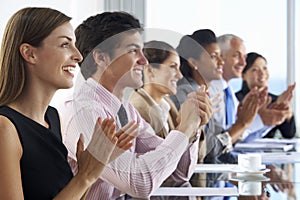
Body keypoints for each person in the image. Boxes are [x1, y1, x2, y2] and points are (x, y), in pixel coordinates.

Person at [59, 11, 212, 199]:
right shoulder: (85, 112)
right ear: (101, 58)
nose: (144, 60)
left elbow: (177, 174)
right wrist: (184, 128)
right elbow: (139, 183)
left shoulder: (125, 110)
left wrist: (192, 128)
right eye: (133, 50)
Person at [0, 7, 136, 200]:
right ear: (29, 54)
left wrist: (94, 169)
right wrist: (85, 176)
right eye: (65, 45)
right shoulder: (5, 128)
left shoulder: (52, 118)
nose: (78, 56)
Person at [210, 34, 288, 143]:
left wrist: (266, 120)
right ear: (220, 57)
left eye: (244, 57)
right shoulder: (210, 92)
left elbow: (238, 139)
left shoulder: (229, 93)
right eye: (236, 56)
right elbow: (219, 143)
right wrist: (256, 120)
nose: (243, 63)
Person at [235, 52, 296, 138]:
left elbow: (289, 134)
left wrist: (287, 112)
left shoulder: (275, 100)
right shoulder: (235, 100)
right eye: (255, 70)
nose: (262, 73)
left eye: (264, 68)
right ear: (243, 75)